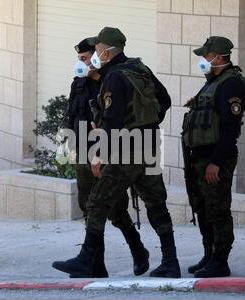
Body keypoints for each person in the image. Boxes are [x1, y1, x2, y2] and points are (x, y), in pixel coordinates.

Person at [53, 27, 181, 279]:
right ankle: (170, 261)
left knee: (98, 203)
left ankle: (87, 259)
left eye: (98, 50)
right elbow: (164, 100)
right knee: (156, 203)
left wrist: (100, 154)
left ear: (108, 53)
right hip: (148, 145)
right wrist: (145, 124)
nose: (95, 56)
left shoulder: (113, 77)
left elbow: (111, 120)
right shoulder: (140, 69)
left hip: (124, 149)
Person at [63, 37, 150, 278]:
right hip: (83, 152)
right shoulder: (78, 83)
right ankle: (94, 265)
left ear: (98, 56)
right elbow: (72, 116)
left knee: (115, 209)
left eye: (85, 58)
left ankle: (138, 249)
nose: (81, 63)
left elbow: (116, 120)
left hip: (107, 154)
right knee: (89, 209)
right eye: (79, 59)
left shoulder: (111, 81)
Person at [182, 36, 245, 278]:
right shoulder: (214, 81)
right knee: (202, 208)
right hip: (200, 157)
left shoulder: (231, 85)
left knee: (217, 209)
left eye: (206, 56)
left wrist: (216, 163)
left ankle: (220, 261)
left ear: (219, 57)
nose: (203, 60)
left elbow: (230, 129)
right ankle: (209, 255)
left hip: (215, 158)